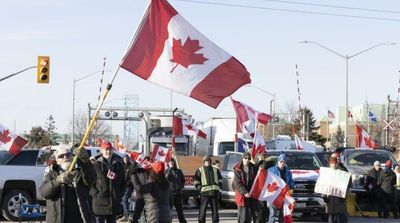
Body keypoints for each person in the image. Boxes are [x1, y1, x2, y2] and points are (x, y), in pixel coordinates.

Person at [39, 146, 96, 223]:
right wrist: (58, 181)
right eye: (61, 156)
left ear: (73, 157)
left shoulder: (80, 172)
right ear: (56, 160)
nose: (65, 157)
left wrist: (86, 162)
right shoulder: (51, 174)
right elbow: (44, 193)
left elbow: (91, 180)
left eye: (68, 154)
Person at [91, 141, 125, 223]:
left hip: (113, 203)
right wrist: (96, 194)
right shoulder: (96, 164)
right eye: (106, 149)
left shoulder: (119, 165)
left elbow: (123, 182)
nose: (108, 151)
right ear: (102, 150)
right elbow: (90, 183)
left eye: (110, 149)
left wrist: (119, 195)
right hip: (100, 203)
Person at [194, 155, 222, 223]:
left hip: (214, 192)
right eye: (206, 161)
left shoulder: (216, 169)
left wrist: (219, 187)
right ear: (204, 162)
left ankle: (215, 221)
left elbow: (220, 179)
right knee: (203, 209)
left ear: (210, 161)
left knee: (215, 209)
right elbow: (196, 181)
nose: (207, 162)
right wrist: (199, 188)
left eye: (208, 161)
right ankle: (201, 221)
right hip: (205, 192)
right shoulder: (200, 170)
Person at [233, 151, 260, 223]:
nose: (247, 160)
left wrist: (261, 163)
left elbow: (258, 177)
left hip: (252, 194)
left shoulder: (253, 167)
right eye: (245, 158)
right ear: (242, 158)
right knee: (243, 217)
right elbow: (237, 184)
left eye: (248, 158)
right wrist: (245, 193)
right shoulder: (237, 169)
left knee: (257, 215)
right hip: (243, 195)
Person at [268, 153, 294, 223]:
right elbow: (267, 182)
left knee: (282, 214)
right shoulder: (271, 170)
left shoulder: (288, 171)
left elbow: (291, 181)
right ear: (278, 162)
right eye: (281, 161)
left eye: (284, 162)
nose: (282, 163)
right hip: (273, 195)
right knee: (273, 213)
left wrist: (290, 186)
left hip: (283, 195)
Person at [326, 153, 349, 223]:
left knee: (340, 218)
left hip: (339, 202)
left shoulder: (343, 171)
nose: (333, 164)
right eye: (331, 162)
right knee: (331, 218)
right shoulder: (327, 172)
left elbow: (348, 183)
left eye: (335, 161)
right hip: (330, 202)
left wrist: (343, 195)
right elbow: (323, 184)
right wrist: (324, 196)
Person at [128, 156, 150, 223]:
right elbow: (132, 171)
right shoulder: (139, 169)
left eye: (148, 161)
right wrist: (138, 189)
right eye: (146, 161)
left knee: (147, 214)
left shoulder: (152, 170)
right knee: (137, 213)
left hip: (150, 195)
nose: (147, 162)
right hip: (140, 194)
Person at [165, 158, 187, 223]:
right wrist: (170, 169)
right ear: (168, 164)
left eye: (172, 162)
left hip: (178, 193)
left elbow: (183, 180)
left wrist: (181, 186)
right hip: (170, 194)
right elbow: (166, 178)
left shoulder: (179, 171)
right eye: (170, 162)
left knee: (180, 210)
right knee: (169, 210)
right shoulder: (166, 171)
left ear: (174, 163)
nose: (171, 163)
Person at [257, 154, 276, 223]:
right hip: (264, 189)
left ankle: (264, 220)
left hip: (266, 188)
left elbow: (262, 169)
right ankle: (265, 220)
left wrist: (261, 161)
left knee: (265, 207)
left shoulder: (268, 164)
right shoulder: (271, 163)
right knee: (264, 207)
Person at [120, 154, 134, 222]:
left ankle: (126, 215)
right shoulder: (120, 165)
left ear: (128, 159)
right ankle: (125, 214)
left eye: (126, 158)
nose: (125, 159)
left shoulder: (131, 166)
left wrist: (127, 182)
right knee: (124, 200)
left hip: (129, 185)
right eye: (124, 158)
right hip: (122, 185)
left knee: (125, 198)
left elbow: (132, 177)